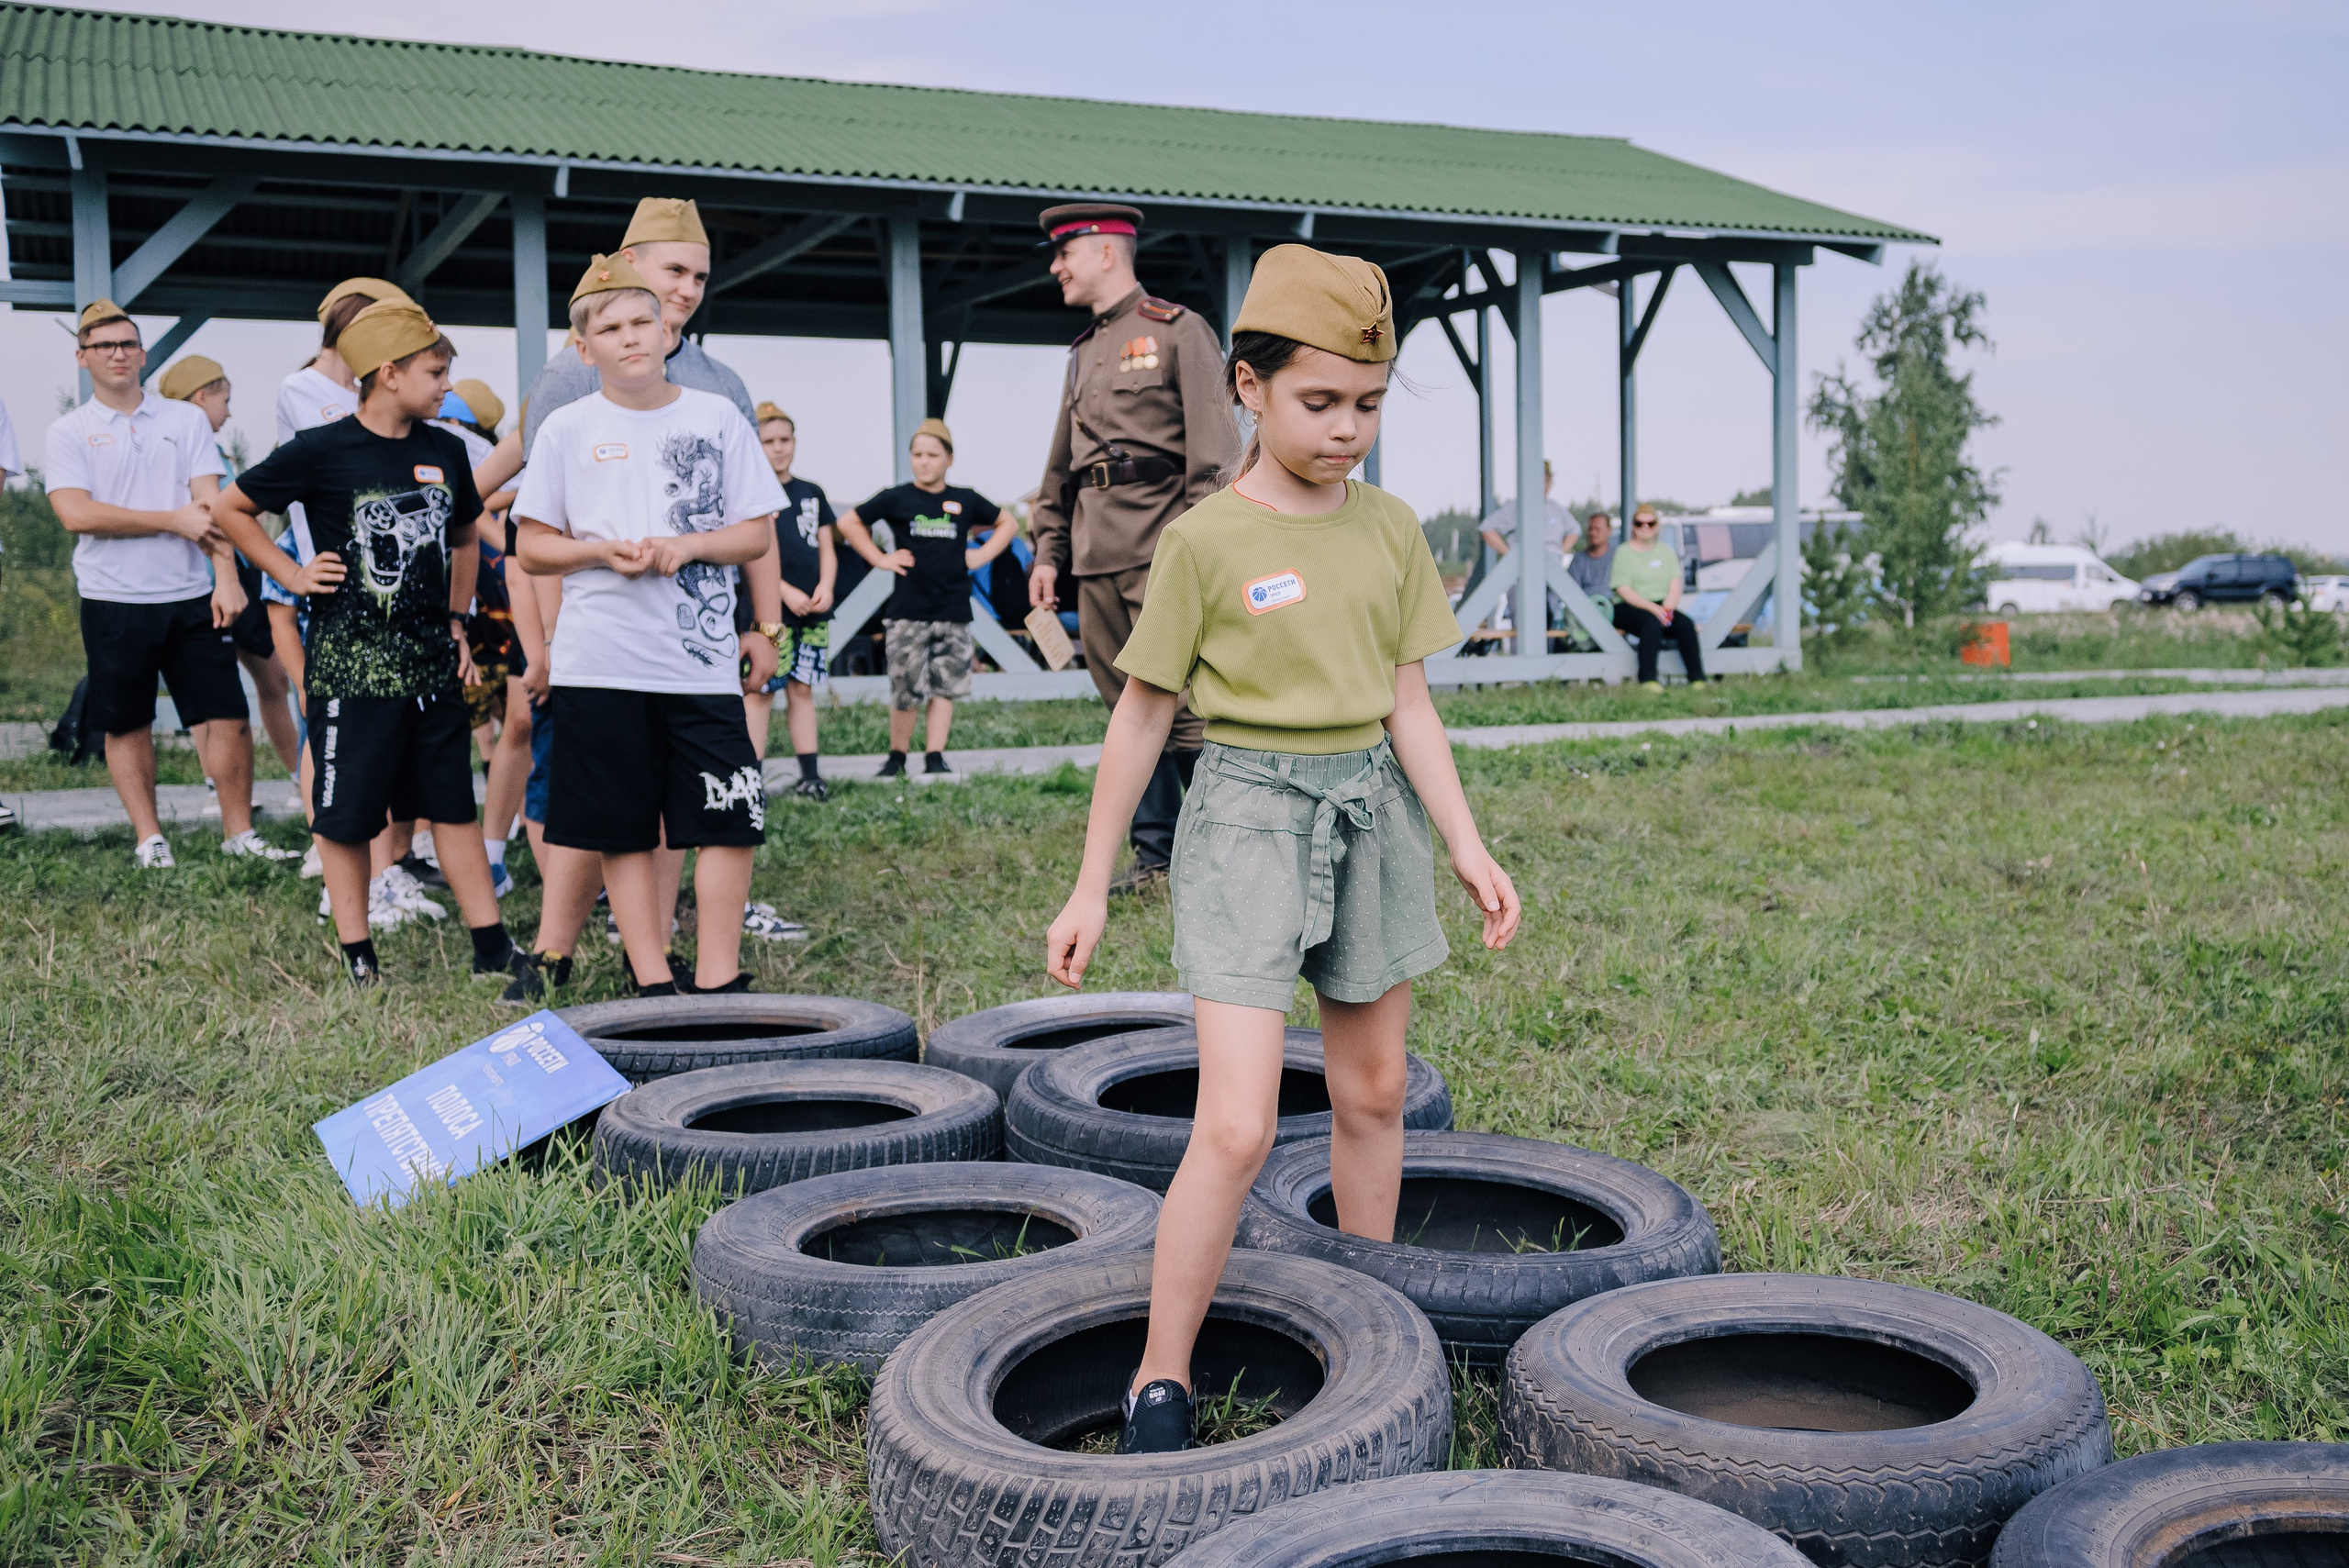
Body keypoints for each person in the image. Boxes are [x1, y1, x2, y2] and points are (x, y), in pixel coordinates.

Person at [1041, 245, 1521, 1453]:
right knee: (1240, 1125)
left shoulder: (1392, 529)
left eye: (1368, 403)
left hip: (1371, 811)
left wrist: (1466, 842)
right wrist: (1092, 882)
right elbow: (1143, 715)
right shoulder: (1205, 540)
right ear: (1248, 387)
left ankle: (1375, 1325)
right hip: (1247, 815)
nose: (1348, 428)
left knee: (1371, 1093)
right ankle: (1162, 1370)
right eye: (1321, 402)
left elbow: (1409, 701)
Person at [476, 198, 782, 981]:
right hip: (596, 652)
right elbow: (533, 534)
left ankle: (705, 972)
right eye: (674, 271)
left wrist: (764, 622)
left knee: (714, 811)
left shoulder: (719, 396)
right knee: (606, 813)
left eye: (697, 278)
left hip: (697, 651)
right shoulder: (566, 402)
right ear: (587, 344)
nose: (684, 293)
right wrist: (543, 642)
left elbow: (755, 525)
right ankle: (566, 953)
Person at [214, 299, 522, 987]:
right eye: (435, 371)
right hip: (350, 672)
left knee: (451, 808)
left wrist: (453, 617)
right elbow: (231, 508)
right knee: (347, 816)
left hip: (431, 669)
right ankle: (359, 958)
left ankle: (493, 948)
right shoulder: (321, 450)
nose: (447, 385)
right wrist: (290, 572)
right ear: (388, 373)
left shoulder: (445, 448)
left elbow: (467, 532)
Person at [1028, 203, 1239, 892]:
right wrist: (1048, 553)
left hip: (1161, 554)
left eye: (1066, 253)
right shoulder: (1085, 348)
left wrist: (1195, 556)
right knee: (1127, 707)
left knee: (1186, 708)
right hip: (1094, 557)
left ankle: (1221, 850)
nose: (1056, 266)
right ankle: (1157, 859)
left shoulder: (1179, 331)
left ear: (1107, 252)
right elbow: (1061, 467)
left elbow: (1214, 460)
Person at [45, 300, 292, 869]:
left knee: (228, 716)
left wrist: (227, 577)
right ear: (83, 357)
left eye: (127, 344)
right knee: (126, 721)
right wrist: (169, 520)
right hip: (113, 598)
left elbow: (212, 504)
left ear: (143, 355)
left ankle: (240, 834)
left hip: (190, 594)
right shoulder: (69, 431)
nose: (117, 354)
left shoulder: (182, 421)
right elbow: (75, 514)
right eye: (104, 345)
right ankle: (150, 840)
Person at [278, 275, 447, 923]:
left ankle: (386, 869)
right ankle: (336, 866)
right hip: (327, 571)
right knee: (331, 733)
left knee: (396, 739)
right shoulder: (306, 390)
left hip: (396, 579)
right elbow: (359, 459)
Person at [158, 354, 306, 810]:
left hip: (221, 579)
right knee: (267, 680)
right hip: (218, 581)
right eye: (226, 399)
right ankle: (299, 776)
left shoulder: (198, 447)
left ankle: (230, 780)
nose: (230, 411)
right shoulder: (195, 449)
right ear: (202, 396)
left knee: (260, 680)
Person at [836, 418, 1014, 777]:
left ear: (949, 458)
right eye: (917, 454)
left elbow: (1007, 522)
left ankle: (935, 755)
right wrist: (880, 558)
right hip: (908, 611)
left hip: (953, 609)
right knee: (905, 686)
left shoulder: (964, 499)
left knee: (944, 686)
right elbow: (849, 523)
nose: (924, 461)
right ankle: (897, 756)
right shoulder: (897, 497)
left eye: (932, 454)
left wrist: (980, 556)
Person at [741, 402, 837, 799]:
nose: (778, 449)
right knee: (762, 692)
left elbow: (827, 548)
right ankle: (750, 781)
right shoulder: (750, 493)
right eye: (768, 441)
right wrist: (784, 592)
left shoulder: (812, 493)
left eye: (784, 440)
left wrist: (826, 587)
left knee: (802, 689)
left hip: (812, 613)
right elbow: (749, 554)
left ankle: (810, 774)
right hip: (770, 613)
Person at [1609, 504, 1709, 689]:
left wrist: (1668, 608)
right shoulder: (1623, 552)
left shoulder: (1666, 552)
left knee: (1685, 624)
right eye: (1640, 523)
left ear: (1657, 527)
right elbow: (1623, 589)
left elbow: (1675, 585)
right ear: (1633, 526)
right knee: (1651, 623)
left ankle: (1697, 678)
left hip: (1661, 605)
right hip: (1628, 607)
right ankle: (1648, 679)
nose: (1645, 528)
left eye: (1650, 523)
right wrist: (1654, 609)